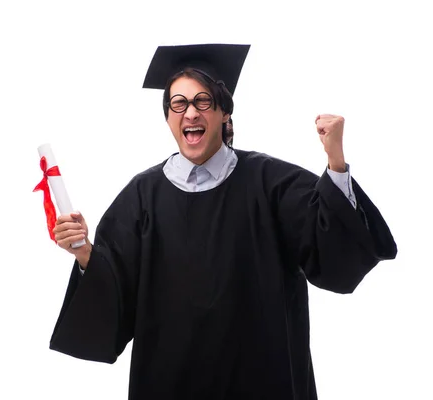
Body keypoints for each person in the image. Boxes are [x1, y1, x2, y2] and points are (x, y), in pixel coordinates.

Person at [48, 44, 397, 400]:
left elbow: (333, 254)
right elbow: (119, 289)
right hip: (171, 383)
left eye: (202, 102)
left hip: (262, 380)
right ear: (168, 117)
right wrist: (86, 253)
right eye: (178, 104)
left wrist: (335, 162)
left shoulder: (271, 183)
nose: (190, 113)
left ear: (223, 112)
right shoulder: (141, 197)